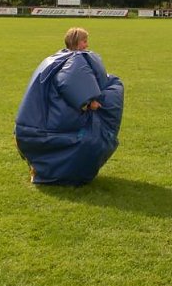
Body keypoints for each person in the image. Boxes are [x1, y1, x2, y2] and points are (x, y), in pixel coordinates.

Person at [14, 27, 124, 185]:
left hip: (32, 124)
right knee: (91, 139)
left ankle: (47, 172)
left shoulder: (55, 58)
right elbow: (68, 81)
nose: (87, 45)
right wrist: (89, 102)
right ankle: (65, 175)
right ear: (77, 43)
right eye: (84, 41)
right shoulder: (75, 60)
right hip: (50, 126)